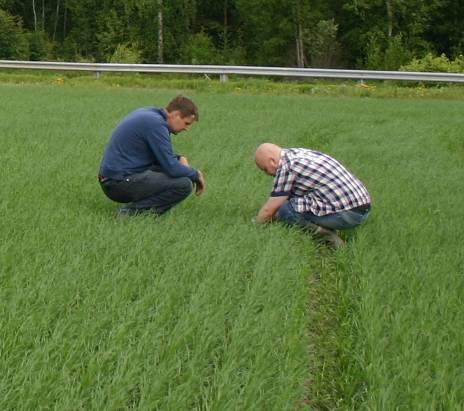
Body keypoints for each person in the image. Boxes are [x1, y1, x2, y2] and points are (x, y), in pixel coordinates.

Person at [98, 95, 206, 216]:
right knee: (184, 185)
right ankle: (127, 214)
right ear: (175, 115)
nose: (187, 129)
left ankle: (138, 212)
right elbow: (172, 167)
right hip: (118, 183)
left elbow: (162, 158)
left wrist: (179, 159)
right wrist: (196, 174)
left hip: (112, 178)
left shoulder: (150, 115)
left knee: (177, 174)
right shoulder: (156, 125)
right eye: (186, 123)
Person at [254, 143, 371, 247]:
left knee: (287, 211)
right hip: (363, 207)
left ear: (272, 161)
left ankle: (333, 240)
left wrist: (256, 225)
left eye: (265, 169)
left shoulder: (286, 167)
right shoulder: (296, 154)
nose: (267, 174)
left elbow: (269, 210)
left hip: (349, 214)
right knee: (294, 204)